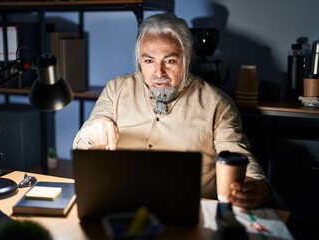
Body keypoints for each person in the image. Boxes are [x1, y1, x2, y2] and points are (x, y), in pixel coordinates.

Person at [73, 13, 270, 209]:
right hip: (119, 203)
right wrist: (94, 128)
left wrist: (256, 184)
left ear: (186, 58)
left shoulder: (217, 104)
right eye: (149, 61)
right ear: (140, 61)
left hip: (185, 210)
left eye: (170, 61)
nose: (159, 73)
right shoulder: (116, 90)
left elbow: (237, 153)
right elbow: (81, 145)